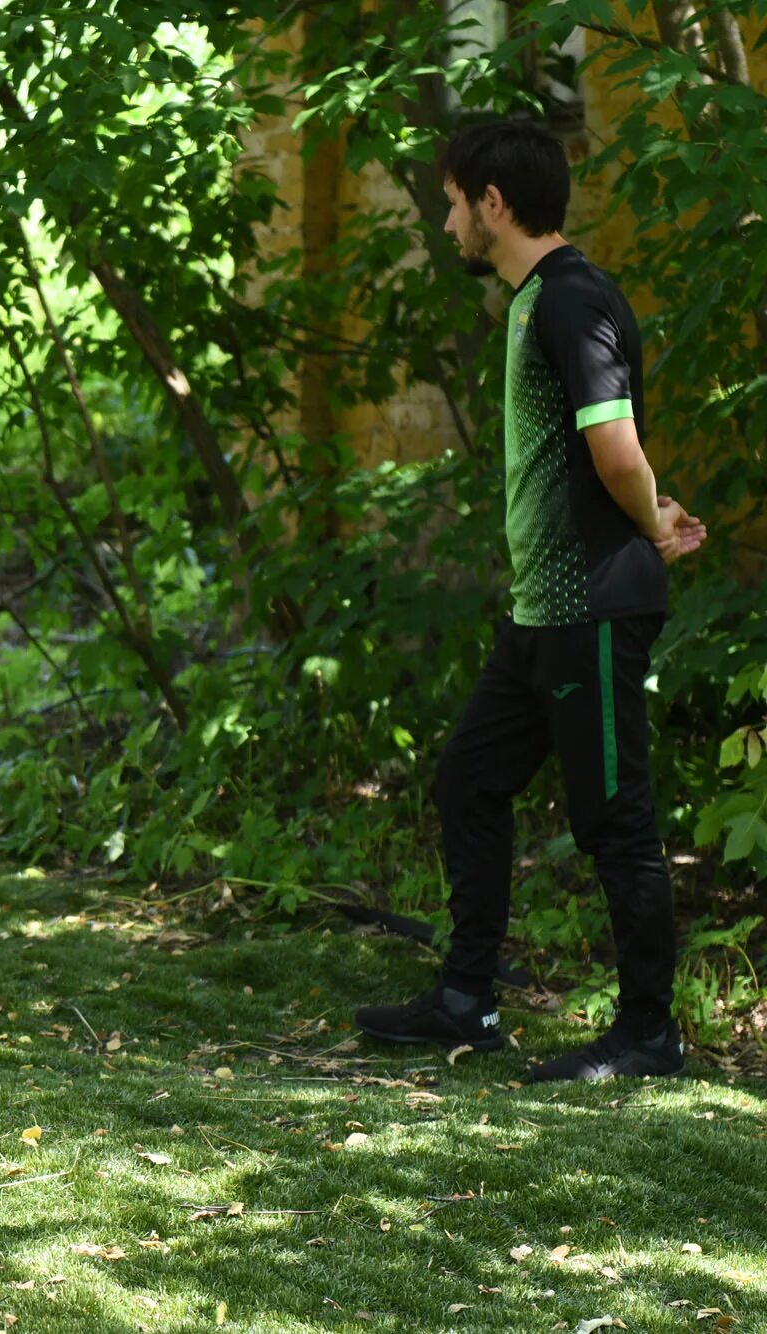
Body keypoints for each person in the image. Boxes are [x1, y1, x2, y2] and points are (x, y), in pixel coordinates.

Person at [352, 120, 708, 1083]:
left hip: (590, 609)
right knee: (469, 779)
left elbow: (615, 448)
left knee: (614, 821)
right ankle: (465, 999)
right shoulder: (539, 302)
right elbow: (617, 463)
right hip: (541, 615)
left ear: (493, 205)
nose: (448, 218)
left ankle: (648, 1036)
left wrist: (647, 521)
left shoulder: (571, 301)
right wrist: (655, 512)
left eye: (455, 200)